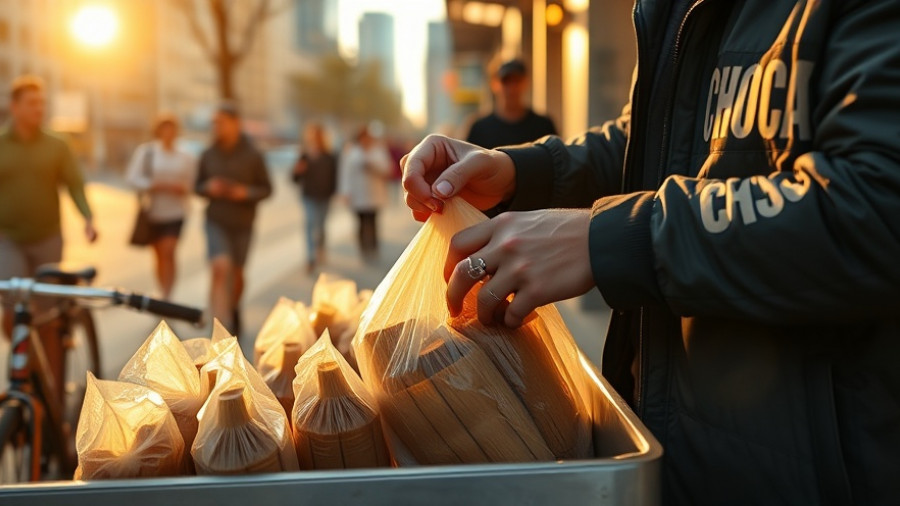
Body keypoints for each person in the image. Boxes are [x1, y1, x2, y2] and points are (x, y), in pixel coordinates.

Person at [402, 1, 900, 504]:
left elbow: (876, 207)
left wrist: (610, 238)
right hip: (676, 443)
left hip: (813, 471)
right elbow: (654, 143)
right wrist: (523, 172)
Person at [0, 75, 98, 392]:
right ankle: (32, 377)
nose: (38, 109)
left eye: (42, 103)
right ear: (13, 107)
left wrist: (87, 217)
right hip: (8, 238)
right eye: (31, 103)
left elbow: (75, 184)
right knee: (12, 313)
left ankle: (54, 392)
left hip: (47, 239)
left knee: (49, 319)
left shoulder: (57, 145)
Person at [195, 104, 271, 335]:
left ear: (236, 123)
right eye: (214, 123)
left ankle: (232, 307)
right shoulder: (208, 154)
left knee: (237, 274)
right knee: (220, 267)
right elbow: (197, 187)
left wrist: (245, 193)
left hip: (243, 223)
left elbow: (267, 189)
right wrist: (208, 187)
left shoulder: (253, 154)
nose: (216, 127)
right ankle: (220, 329)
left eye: (221, 122)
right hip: (216, 219)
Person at [125, 113, 196, 300]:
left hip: (176, 212)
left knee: (168, 251)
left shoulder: (185, 156)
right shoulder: (147, 152)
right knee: (159, 256)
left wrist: (182, 188)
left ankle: (167, 294)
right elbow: (132, 178)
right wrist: (152, 185)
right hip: (153, 212)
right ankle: (163, 289)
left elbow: (193, 183)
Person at [465, 58, 557, 149]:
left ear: (525, 82)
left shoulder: (543, 126)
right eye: (506, 81)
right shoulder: (480, 129)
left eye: (516, 81)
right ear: (494, 84)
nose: (511, 88)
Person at [338, 123, 392, 261]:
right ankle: (363, 248)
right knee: (361, 223)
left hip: (375, 194)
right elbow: (345, 173)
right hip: (358, 194)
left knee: (373, 222)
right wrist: (345, 192)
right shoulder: (351, 152)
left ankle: (373, 248)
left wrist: (372, 166)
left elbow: (387, 169)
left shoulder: (378, 151)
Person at [292, 122, 337, 273]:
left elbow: (334, 176)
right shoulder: (304, 155)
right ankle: (311, 257)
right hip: (309, 195)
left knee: (321, 226)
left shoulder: (329, 156)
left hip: (324, 196)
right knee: (310, 224)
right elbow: (294, 178)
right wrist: (297, 171)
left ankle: (321, 249)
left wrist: (335, 192)